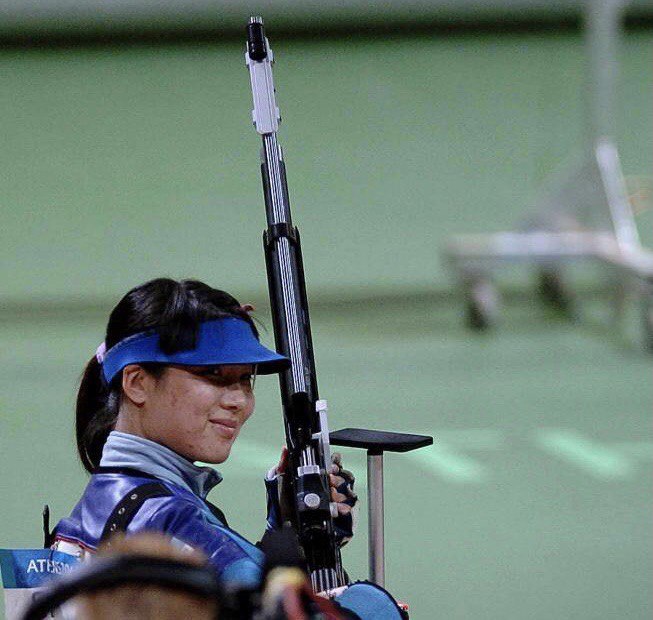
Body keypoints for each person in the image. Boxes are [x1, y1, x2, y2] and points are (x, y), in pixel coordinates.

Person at [51, 278, 404, 619]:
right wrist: (368, 606)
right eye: (214, 375)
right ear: (138, 383)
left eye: (245, 379)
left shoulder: (109, 500)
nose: (238, 400)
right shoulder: (168, 520)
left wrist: (289, 537)